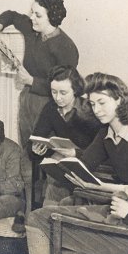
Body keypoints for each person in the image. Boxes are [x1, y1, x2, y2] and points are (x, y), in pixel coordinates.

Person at [25, 73, 128, 254]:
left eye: (102, 102)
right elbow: (86, 163)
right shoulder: (106, 132)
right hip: (126, 205)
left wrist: (101, 188)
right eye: (92, 104)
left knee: (46, 218)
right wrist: (68, 159)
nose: (96, 110)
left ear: (119, 100)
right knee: (45, 212)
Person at [0, 0, 79, 149]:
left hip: (50, 105)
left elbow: (67, 89)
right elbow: (11, 15)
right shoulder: (32, 29)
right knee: (27, 147)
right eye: (32, 12)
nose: (32, 17)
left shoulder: (66, 47)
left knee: (45, 151)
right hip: (27, 98)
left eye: (38, 15)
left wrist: (31, 81)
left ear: (52, 17)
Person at [30, 65, 101, 205]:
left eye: (63, 93)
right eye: (53, 92)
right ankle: (53, 215)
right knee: (56, 174)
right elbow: (37, 138)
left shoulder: (91, 110)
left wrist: (75, 153)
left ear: (75, 90)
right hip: (64, 165)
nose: (57, 98)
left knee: (57, 185)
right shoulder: (50, 108)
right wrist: (36, 150)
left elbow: (103, 150)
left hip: (90, 165)